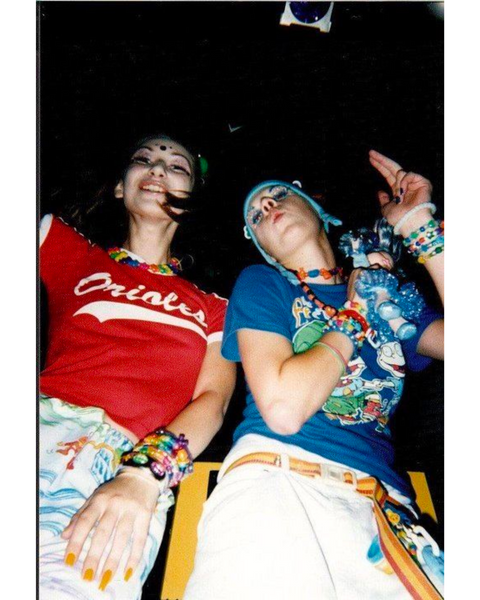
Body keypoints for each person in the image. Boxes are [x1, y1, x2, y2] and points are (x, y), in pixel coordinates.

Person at [184, 150, 447, 600]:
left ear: (318, 209)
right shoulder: (263, 284)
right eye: (256, 213)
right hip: (278, 483)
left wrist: (421, 230)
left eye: (277, 196)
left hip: (386, 511)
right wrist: (356, 314)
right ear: (261, 246)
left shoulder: (389, 295)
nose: (267, 206)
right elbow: (285, 408)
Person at [39, 134, 236, 599]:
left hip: (132, 465)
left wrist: (145, 474)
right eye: (144, 159)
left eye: (177, 166)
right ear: (120, 188)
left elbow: (214, 399)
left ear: (191, 202)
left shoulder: (214, 305)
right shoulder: (70, 251)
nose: (158, 168)